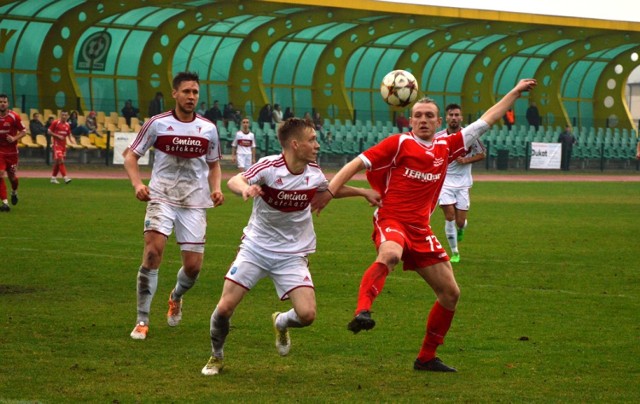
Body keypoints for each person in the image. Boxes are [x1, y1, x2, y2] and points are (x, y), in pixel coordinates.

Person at [311, 79, 537, 372]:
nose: (423, 120)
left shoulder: (448, 145)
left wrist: (515, 93)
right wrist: (329, 191)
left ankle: (427, 357)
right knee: (390, 254)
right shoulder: (399, 143)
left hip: (421, 229)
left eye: (429, 115)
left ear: (439, 121)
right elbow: (355, 164)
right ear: (410, 119)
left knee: (451, 293)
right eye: (418, 115)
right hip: (391, 219)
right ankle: (363, 311)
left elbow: (487, 119)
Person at [201, 118, 380, 375]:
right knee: (225, 307)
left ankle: (281, 321)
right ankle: (216, 356)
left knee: (307, 315)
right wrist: (245, 188)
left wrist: (363, 192)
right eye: (312, 140)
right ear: (295, 144)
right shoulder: (269, 167)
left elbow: (329, 189)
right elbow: (236, 179)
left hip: (293, 254)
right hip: (256, 249)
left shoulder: (313, 173)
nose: (317, 145)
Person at [124, 71, 225, 341]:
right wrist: (138, 185)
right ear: (175, 94)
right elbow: (130, 156)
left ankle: (176, 296)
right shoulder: (157, 124)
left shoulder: (208, 129)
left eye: (195, 92)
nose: (191, 97)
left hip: (194, 202)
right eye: (186, 92)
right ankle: (142, 320)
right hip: (161, 196)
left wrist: (216, 188)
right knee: (152, 254)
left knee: (193, 268)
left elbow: (214, 165)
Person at [436, 103, 486, 263]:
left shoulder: (469, 136)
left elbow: (482, 154)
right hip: (444, 182)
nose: (454, 118)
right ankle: (455, 252)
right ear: (445, 118)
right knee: (449, 216)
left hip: (463, 183)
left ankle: (461, 228)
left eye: (457, 115)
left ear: (461, 117)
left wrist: (466, 160)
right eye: (451, 115)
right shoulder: (438, 137)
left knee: (460, 221)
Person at [0, 94, 28, 212]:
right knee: (0, 174)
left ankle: (14, 192)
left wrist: (14, 138)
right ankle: (5, 203)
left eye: (4, 102)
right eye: (0, 101)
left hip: (12, 153)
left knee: (13, 178)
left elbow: (24, 131)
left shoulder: (14, 116)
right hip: (0, 151)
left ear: (8, 103)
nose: (2, 103)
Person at [48, 110, 77, 184]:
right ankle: (65, 178)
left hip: (63, 146)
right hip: (56, 144)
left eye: (65, 115)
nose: (64, 116)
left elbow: (69, 134)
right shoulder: (56, 122)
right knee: (61, 160)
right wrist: (58, 136)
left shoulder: (67, 125)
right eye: (63, 115)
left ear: (67, 116)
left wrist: (72, 140)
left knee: (58, 162)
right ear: (60, 115)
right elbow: (49, 131)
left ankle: (53, 178)